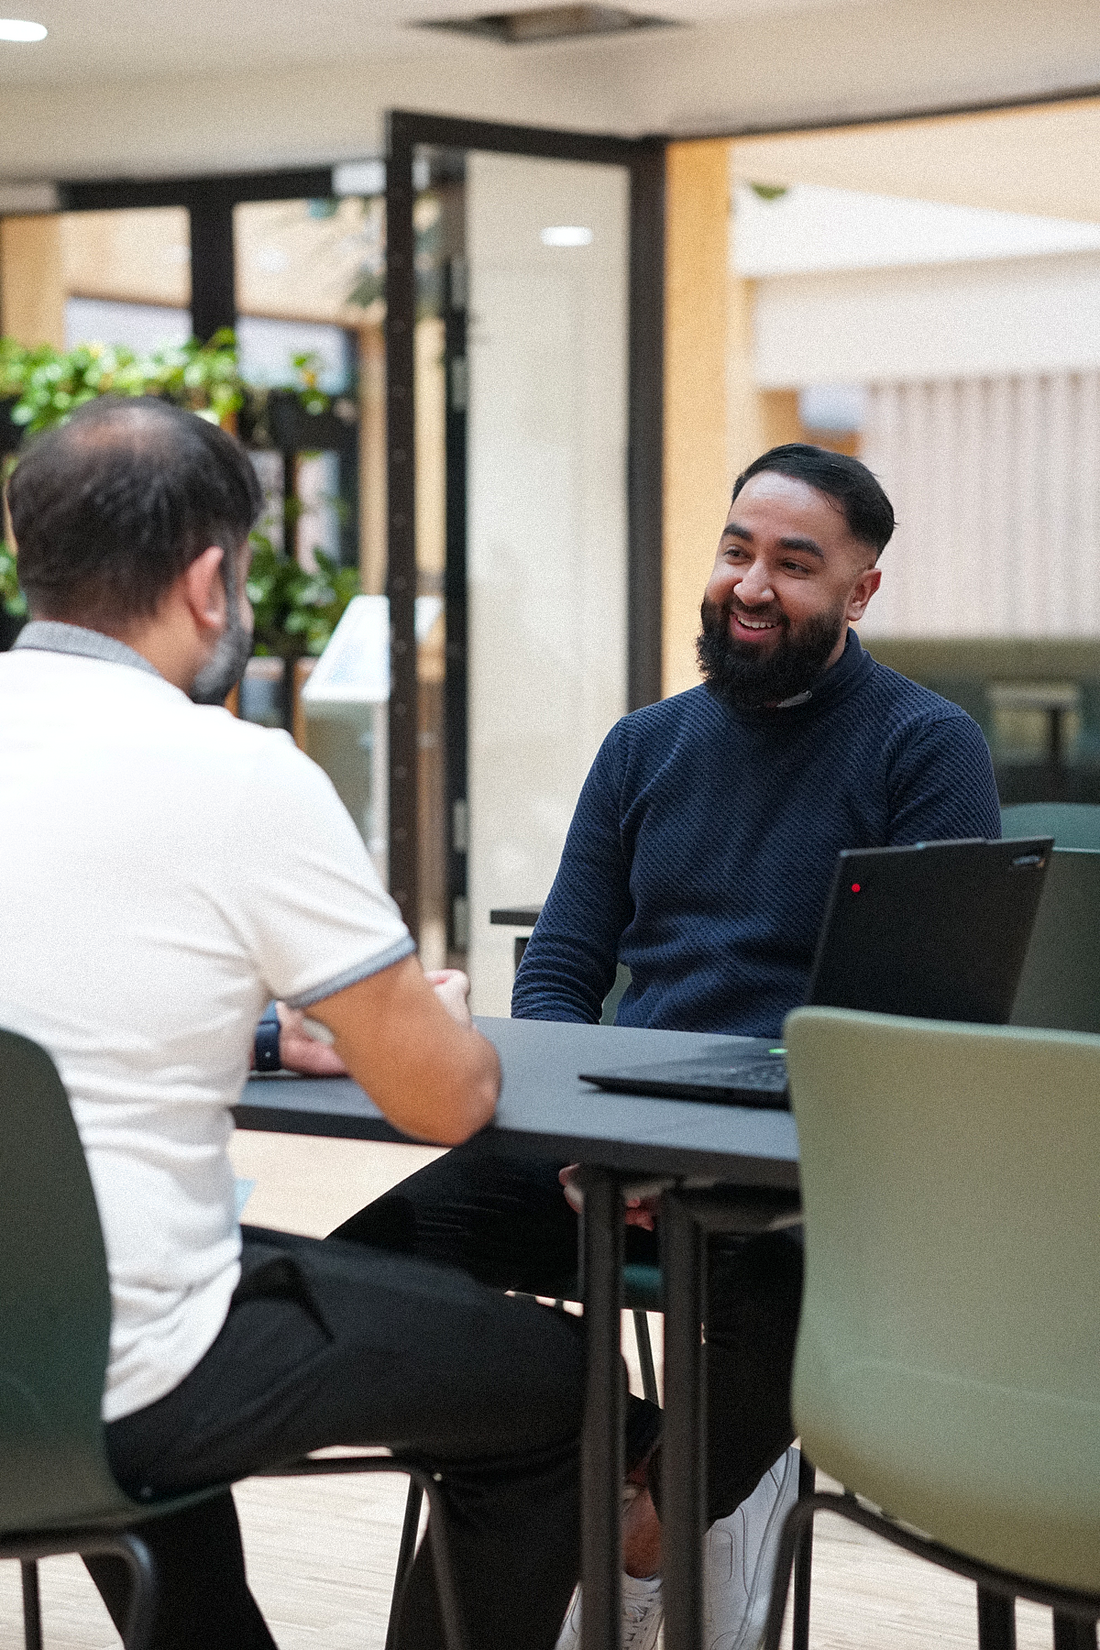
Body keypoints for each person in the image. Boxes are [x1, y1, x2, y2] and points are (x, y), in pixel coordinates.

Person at [337, 444, 1002, 1650]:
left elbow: (914, 1026)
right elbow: (559, 966)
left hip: (792, 1167)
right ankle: (598, 1450)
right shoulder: (643, 745)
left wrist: (686, 1158)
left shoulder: (923, 746)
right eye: (735, 550)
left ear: (858, 592)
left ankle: (651, 1520)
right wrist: (573, 1131)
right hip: (603, 1140)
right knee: (356, 1275)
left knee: (794, 1294)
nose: (749, 584)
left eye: (792, 564)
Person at [0, 396, 587, 1650]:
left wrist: (263, 1034)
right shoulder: (237, 773)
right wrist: (426, 1018)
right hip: (116, 1373)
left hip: (25, 1351)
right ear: (209, 580)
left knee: (135, 1305)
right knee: (560, 1387)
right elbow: (446, 1101)